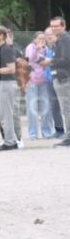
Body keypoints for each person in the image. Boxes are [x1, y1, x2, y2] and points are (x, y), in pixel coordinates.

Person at [45, 16, 70, 147]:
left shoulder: (65, 39)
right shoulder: (59, 40)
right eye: (52, 26)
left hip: (65, 79)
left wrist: (50, 61)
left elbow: (66, 59)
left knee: (67, 108)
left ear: (63, 26)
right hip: (60, 78)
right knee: (65, 108)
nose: (54, 28)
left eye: (57, 26)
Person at [25, 32, 55, 140]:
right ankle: (33, 133)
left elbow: (51, 61)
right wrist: (37, 48)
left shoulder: (47, 49)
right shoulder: (30, 47)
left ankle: (47, 132)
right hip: (32, 81)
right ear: (34, 39)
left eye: (43, 38)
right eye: (39, 38)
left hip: (44, 81)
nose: (42, 40)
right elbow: (30, 59)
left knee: (46, 108)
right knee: (32, 108)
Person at [43, 27, 66, 138]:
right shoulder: (46, 49)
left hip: (60, 79)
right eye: (47, 35)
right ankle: (59, 130)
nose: (49, 36)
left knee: (65, 105)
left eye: (51, 34)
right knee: (54, 105)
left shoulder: (60, 47)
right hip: (49, 80)